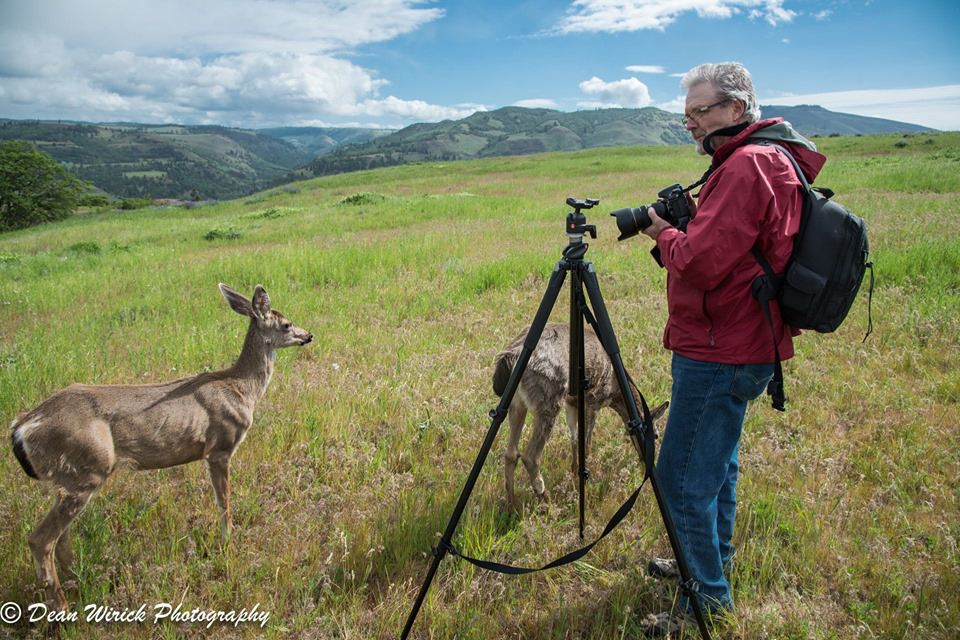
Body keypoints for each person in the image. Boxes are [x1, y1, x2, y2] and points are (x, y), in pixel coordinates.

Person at [636, 62, 825, 635]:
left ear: (736, 110)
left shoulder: (746, 166)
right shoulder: (768, 159)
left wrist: (659, 230)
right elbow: (739, 248)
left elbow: (702, 262)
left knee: (681, 481)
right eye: (687, 114)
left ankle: (705, 604)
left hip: (721, 348)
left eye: (701, 111)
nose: (690, 123)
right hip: (744, 340)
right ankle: (707, 562)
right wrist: (693, 224)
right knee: (714, 466)